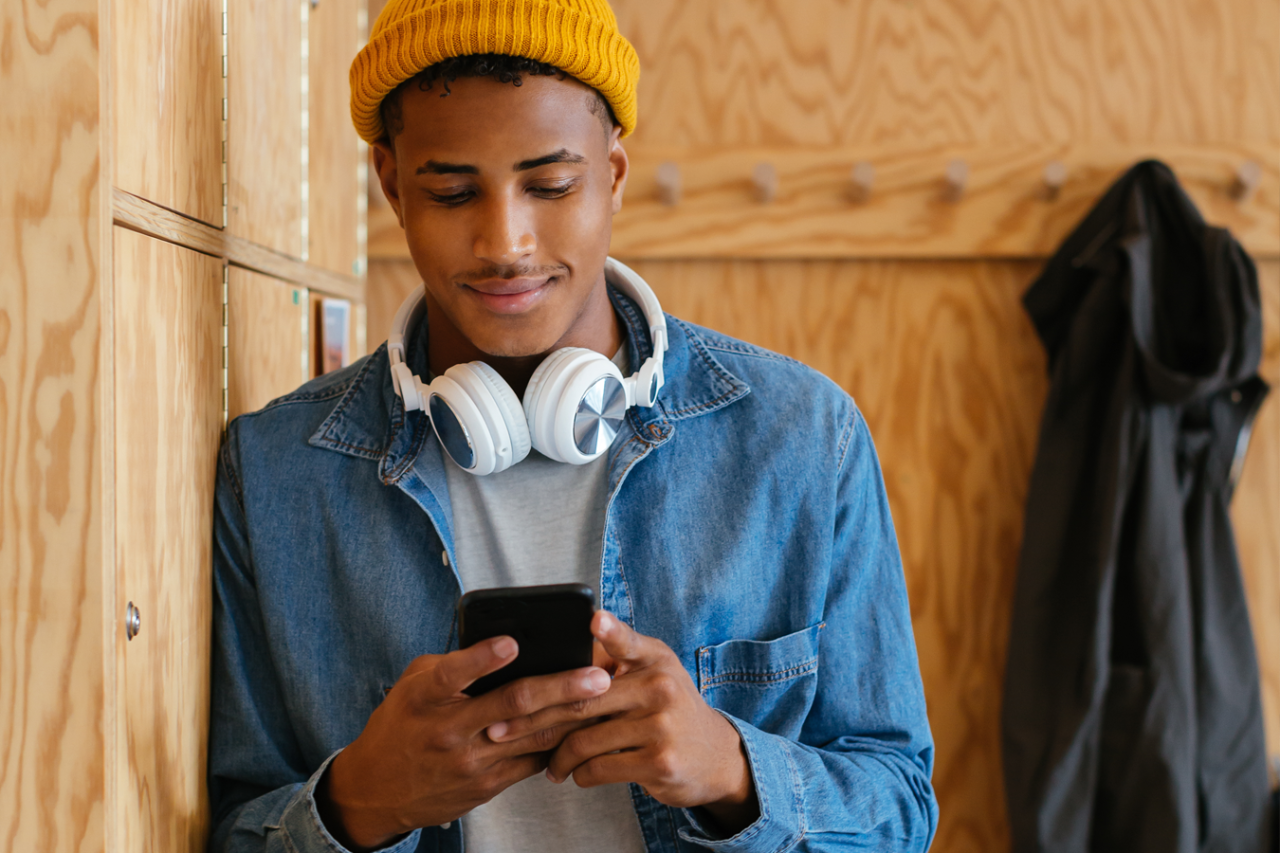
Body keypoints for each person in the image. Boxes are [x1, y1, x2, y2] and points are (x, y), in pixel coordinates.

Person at [208, 1, 939, 850]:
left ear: (616, 173)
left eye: (551, 185)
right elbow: (231, 826)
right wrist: (363, 799)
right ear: (389, 183)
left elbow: (901, 809)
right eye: (451, 191)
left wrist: (733, 772)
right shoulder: (272, 475)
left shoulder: (807, 440)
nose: (506, 242)